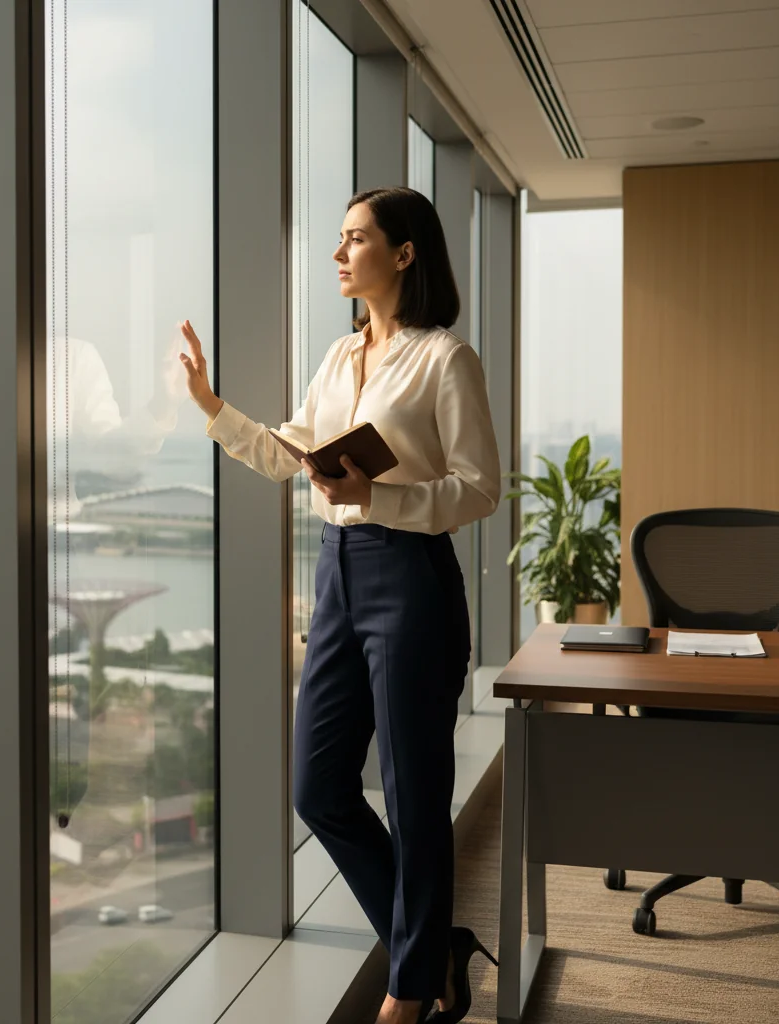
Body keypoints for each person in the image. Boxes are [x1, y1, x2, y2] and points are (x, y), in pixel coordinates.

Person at [178, 187, 500, 1024]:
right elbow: (295, 455)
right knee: (318, 786)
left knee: (413, 790)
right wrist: (214, 409)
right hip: (337, 577)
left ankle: (408, 990)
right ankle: (431, 953)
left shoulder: (444, 359)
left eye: (355, 239)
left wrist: (377, 498)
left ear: (402, 254)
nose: (338, 253)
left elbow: (479, 488)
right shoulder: (338, 356)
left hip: (410, 580)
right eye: (340, 238)